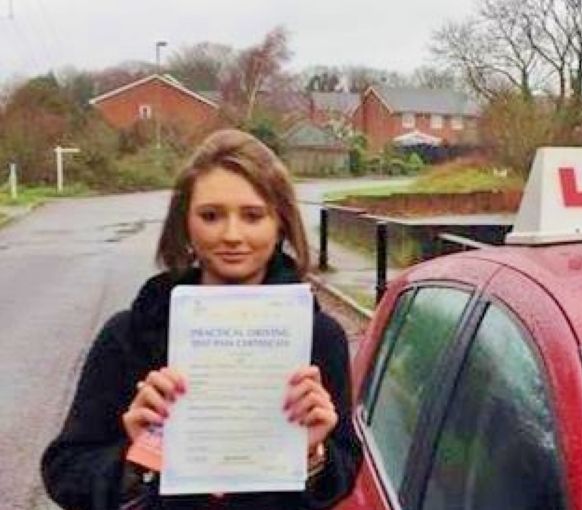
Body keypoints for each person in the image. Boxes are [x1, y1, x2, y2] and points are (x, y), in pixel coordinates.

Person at [41, 129, 363, 509]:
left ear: (280, 224)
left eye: (253, 216)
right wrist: (134, 459)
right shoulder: (129, 334)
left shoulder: (319, 337)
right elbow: (65, 470)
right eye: (211, 216)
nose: (231, 235)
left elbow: (342, 469)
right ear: (186, 225)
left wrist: (314, 455)